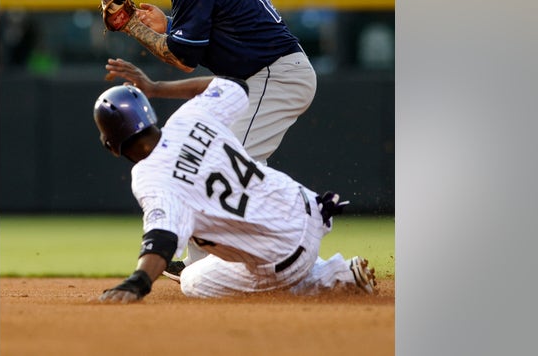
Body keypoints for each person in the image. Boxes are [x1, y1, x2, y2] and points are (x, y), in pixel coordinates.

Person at [103, 0, 318, 279]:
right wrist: (167, 26)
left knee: (225, 163)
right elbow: (214, 36)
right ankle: (222, 259)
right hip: (258, 77)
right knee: (208, 158)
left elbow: (184, 59)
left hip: (274, 76)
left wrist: (130, 24)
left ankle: (294, 251)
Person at [93, 77, 376, 302]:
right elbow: (233, 85)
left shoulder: (149, 175)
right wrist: (156, 87)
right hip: (310, 207)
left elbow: (162, 239)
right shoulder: (189, 117)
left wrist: (138, 283)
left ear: (111, 145)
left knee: (192, 281)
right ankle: (332, 271)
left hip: (286, 255)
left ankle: (332, 276)